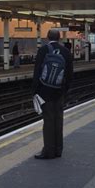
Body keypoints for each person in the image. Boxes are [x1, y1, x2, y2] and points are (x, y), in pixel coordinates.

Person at [32, 29, 73, 159]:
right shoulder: (66, 52)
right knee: (58, 120)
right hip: (59, 91)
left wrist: (35, 91)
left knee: (48, 121)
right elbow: (70, 74)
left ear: (47, 37)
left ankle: (48, 151)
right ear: (60, 38)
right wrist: (64, 90)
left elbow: (37, 71)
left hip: (45, 91)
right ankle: (58, 150)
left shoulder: (43, 50)